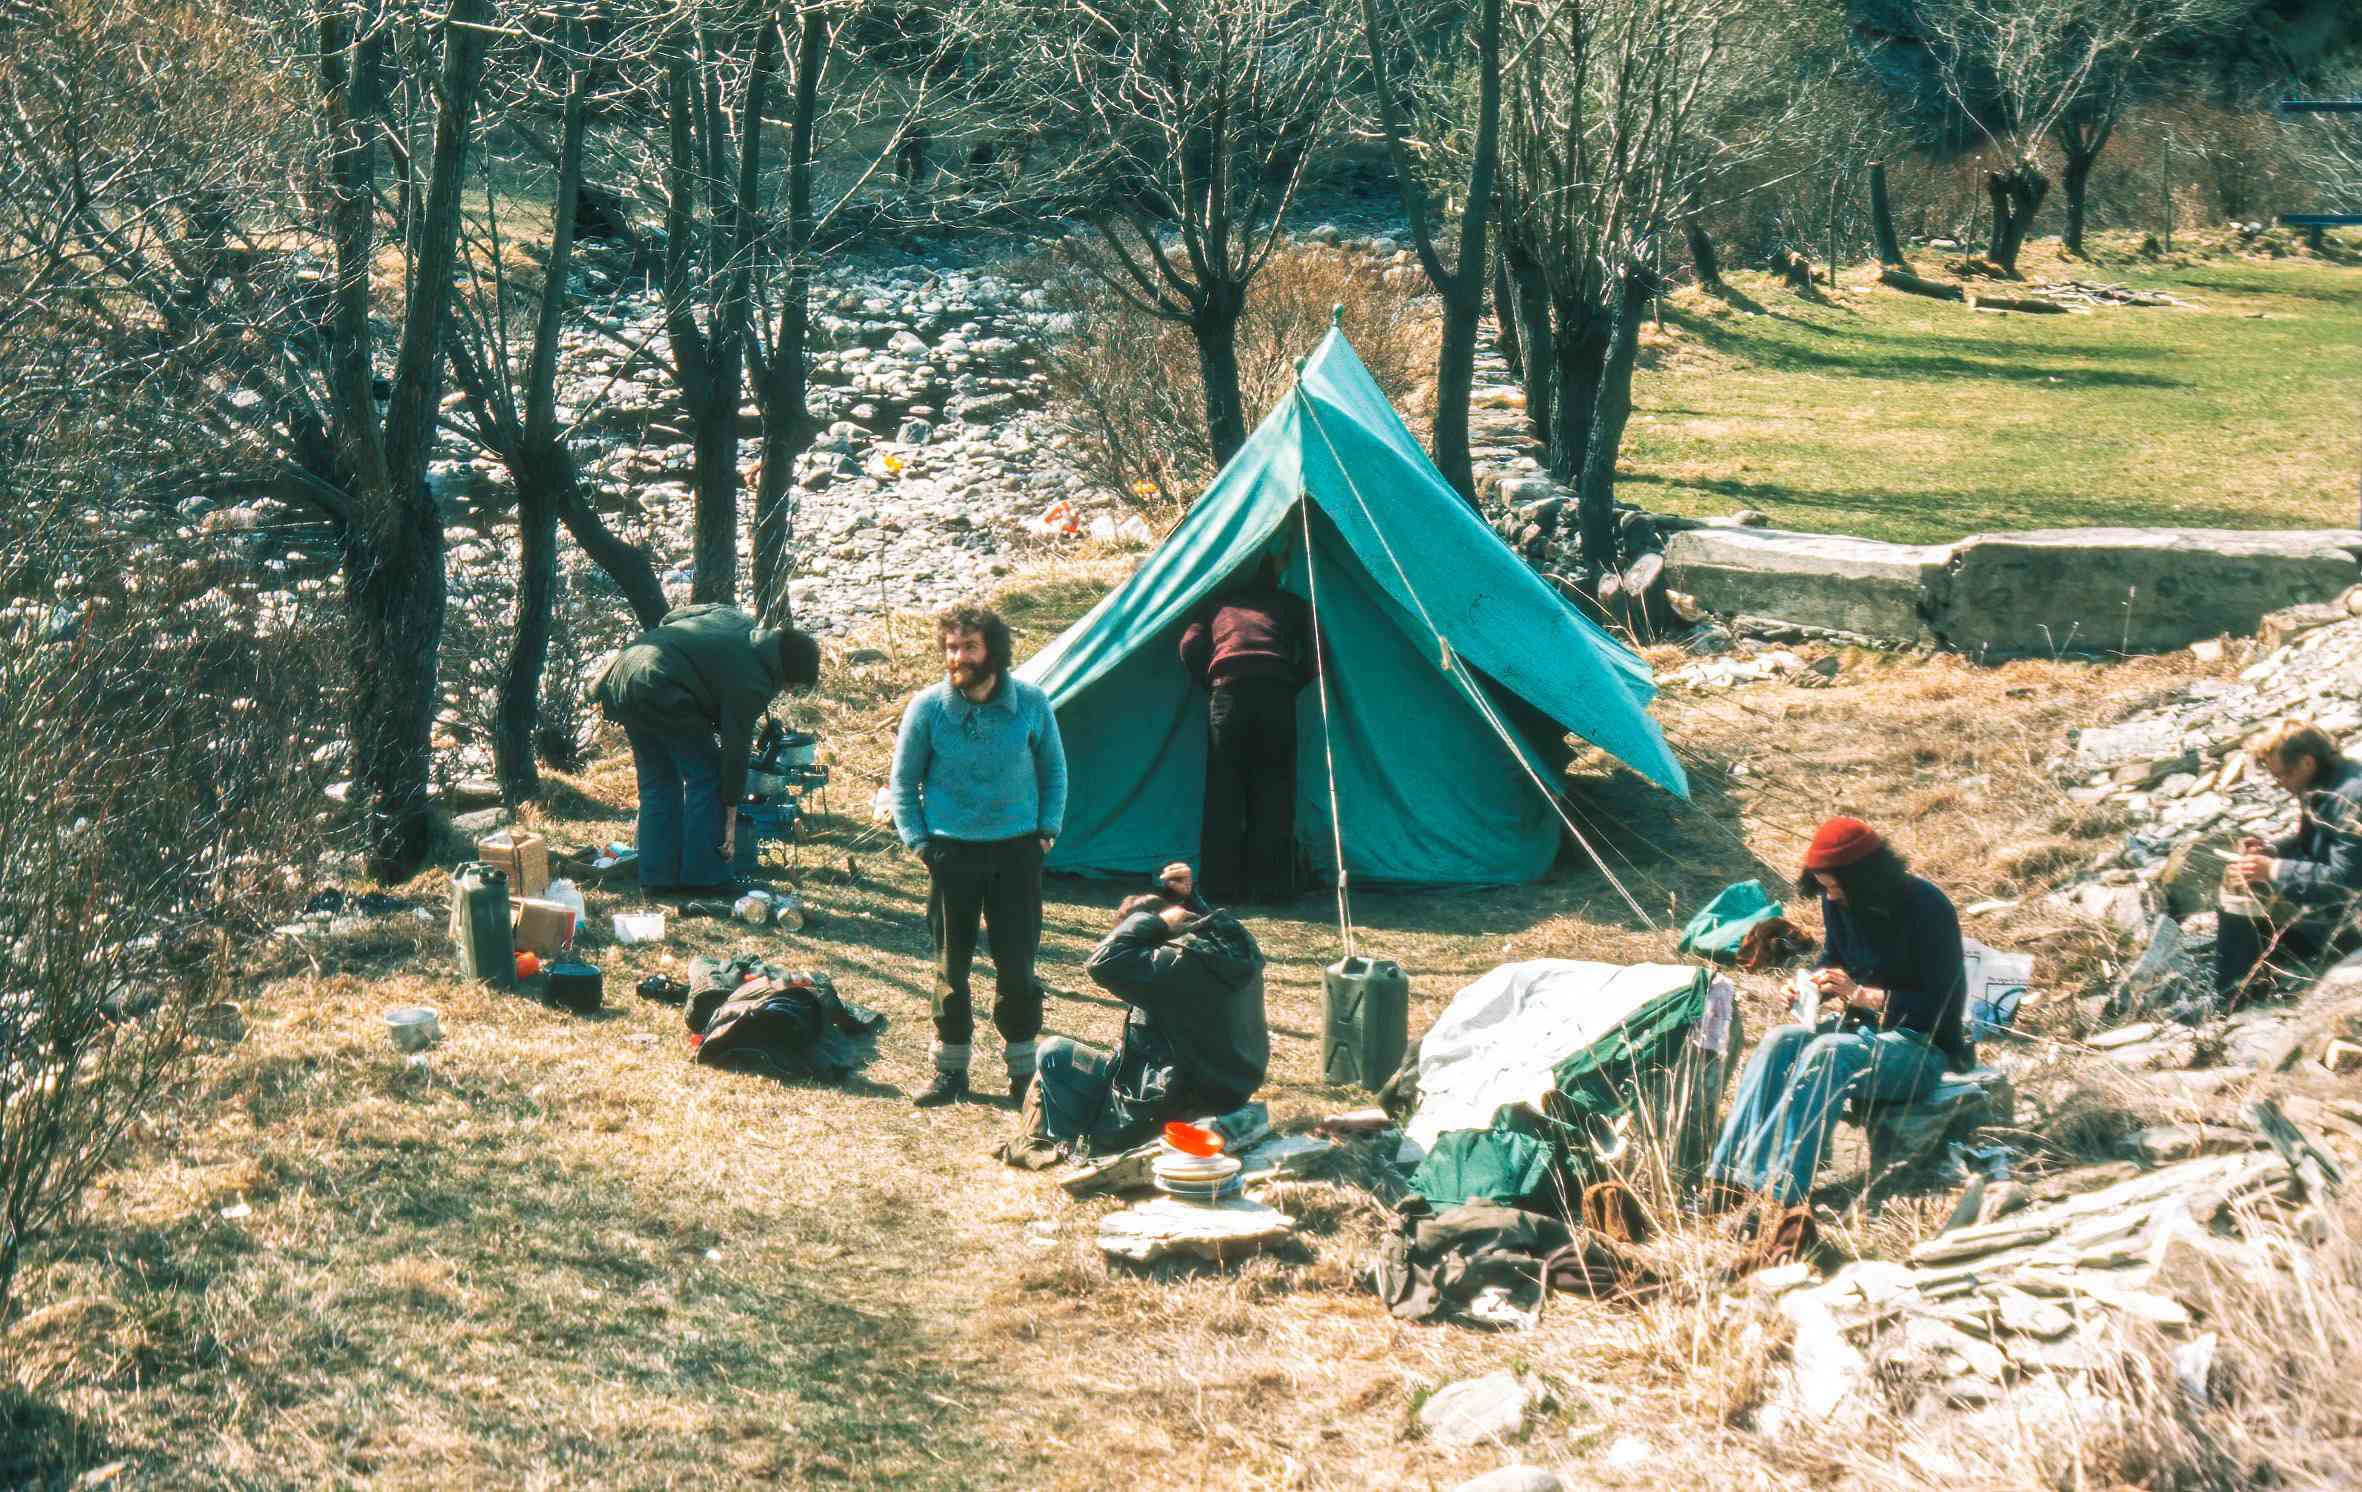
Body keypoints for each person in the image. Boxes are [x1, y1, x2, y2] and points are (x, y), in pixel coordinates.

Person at [1705, 817, 1970, 1206]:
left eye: (1834, 887)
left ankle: (1778, 1194)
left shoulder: (1928, 909)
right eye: (1823, 887)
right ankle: (1726, 1181)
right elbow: (1834, 960)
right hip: (1861, 1033)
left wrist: (1863, 996)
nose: (1828, 897)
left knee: (1828, 1053)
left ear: (1866, 879)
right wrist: (1810, 984)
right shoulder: (1843, 905)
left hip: (1920, 1048)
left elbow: (1943, 1003)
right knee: (1780, 1040)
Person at [891, 603, 1068, 1108]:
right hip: (951, 853)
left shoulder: (1031, 703)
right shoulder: (928, 708)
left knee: (1017, 965)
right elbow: (904, 782)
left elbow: (1054, 772)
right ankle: (951, 1072)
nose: (958, 657)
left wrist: (1046, 831)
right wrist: (919, 842)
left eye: (969, 646)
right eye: (950, 647)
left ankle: (1022, 1074)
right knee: (952, 965)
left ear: (993, 649)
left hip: (1017, 852)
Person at [1023, 871, 1271, 1156]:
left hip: (1166, 1109)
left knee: (1054, 1054)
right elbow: (1215, 923)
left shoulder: (1169, 967)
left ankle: (1075, 1149)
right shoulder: (1233, 954)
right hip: (1227, 1098)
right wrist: (1190, 900)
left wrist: (1155, 923)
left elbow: (1102, 961)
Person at [592, 603, 819, 898]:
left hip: (626, 674)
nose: (789, 692)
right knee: (709, 778)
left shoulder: (736, 619)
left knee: (659, 782)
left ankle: (658, 880)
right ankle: (707, 878)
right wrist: (731, 810)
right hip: (662, 684)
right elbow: (735, 750)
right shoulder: (754, 681)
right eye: (792, 686)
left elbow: (671, 617)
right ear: (785, 671)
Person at [1178, 550, 1319, 904]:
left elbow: (1189, 644)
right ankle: (1272, 890)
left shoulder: (1219, 604)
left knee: (1224, 791)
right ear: (1278, 571)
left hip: (1228, 694)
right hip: (1276, 695)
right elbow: (1318, 657)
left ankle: (1221, 889)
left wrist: (1211, 681)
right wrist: (1288, 682)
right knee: (1275, 790)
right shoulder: (1294, 604)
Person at [2206, 718, 2362, 1014]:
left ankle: (2233, 1002)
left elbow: (2345, 883)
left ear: (2306, 762)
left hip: (2352, 921)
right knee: (2246, 884)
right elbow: (2316, 841)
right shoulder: (2327, 782)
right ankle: (2245, 982)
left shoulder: (2353, 798)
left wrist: (2272, 870)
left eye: (2283, 776)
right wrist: (2272, 850)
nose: (2280, 784)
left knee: (2242, 898)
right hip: (2341, 909)